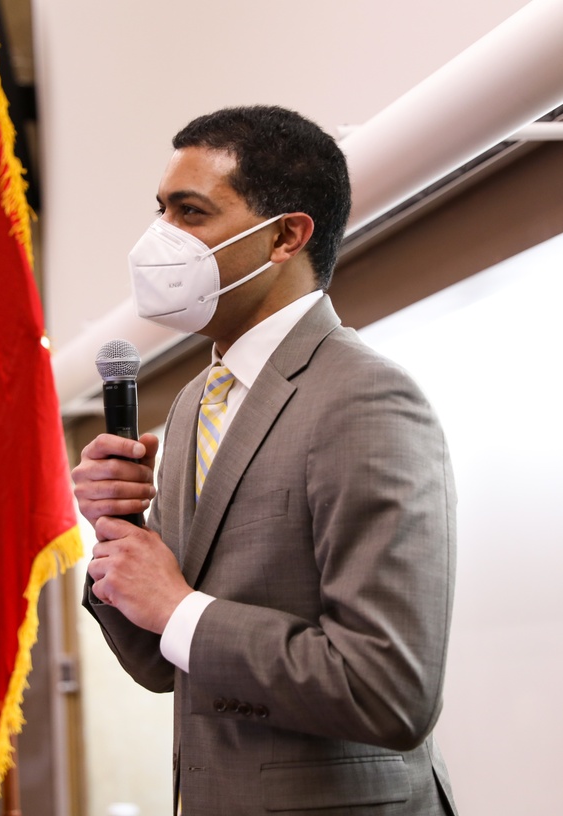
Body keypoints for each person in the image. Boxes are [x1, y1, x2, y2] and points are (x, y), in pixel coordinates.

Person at [73, 106, 458, 815]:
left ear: (285, 236)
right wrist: (119, 538)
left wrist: (181, 606)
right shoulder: (195, 402)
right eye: (160, 211)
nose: (159, 239)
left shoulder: (362, 396)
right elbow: (167, 663)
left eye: (190, 213)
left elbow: (388, 689)